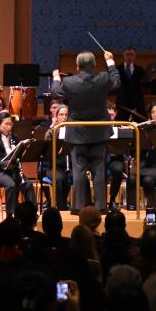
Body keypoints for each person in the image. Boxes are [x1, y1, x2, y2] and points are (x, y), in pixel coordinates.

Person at [52, 49, 121, 213]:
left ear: (77, 66)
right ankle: (100, 207)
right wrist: (110, 61)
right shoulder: (103, 78)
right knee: (99, 171)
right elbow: (116, 81)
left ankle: (78, 207)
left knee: (79, 172)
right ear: (94, 65)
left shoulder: (69, 82)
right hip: (99, 133)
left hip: (77, 134)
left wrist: (56, 77)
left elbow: (55, 93)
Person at [0, 110, 35, 216]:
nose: (9, 127)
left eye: (11, 124)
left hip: (11, 169)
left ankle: (32, 213)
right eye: (6, 124)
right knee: (11, 184)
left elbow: (18, 154)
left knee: (28, 184)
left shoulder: (14, 137)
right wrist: (9, 163)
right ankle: (10, 215)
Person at [39, 104, 71, 210]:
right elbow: (46, 152)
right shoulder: (51, 132)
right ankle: (62, 208)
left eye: (66, 115)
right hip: (53, 166)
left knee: (78, 177)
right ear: (56, 117)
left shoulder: (72, 131)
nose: (64, 117)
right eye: (61, 115)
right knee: (60, 179)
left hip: (70, 165)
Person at [116, 46, 146, 117]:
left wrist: (149, 78)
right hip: (122, 103)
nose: (129, 57)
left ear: (135, 56)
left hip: (137, 103)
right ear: (123, 55)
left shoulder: (140, 70)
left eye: (131, 55)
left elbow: (145, 85)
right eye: (127, 54)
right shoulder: (117, 69)